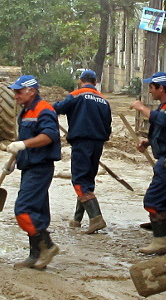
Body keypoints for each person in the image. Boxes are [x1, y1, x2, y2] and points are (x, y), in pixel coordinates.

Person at [130, 72, 166, 254]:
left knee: (153, 199)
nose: (150, 91)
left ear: (161, 88)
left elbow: (163, 120)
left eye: (151, 87)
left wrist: (142, 108)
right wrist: (149, 142)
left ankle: (160, 242)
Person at [6, 75, 61, 269]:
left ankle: (48, 246)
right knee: (37, 211)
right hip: (29, 166)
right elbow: (25, 138)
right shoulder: (25, 111)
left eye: (19, 92)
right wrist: (15, 158)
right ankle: (35, 255)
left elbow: (49, 135)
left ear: (32, 91)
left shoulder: (43, 109)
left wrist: (23, 144)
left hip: (40, 167)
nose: (15, 96)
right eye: (15, 92)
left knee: (24, 210)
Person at [53, 70, 112, 234]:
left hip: (81, 142)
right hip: (98, 143)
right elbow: (108, 125)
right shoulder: (104, 100)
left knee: (79, 180)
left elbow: (57, 108)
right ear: (95, 82)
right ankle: (77, 219)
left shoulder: (76, 95)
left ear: (81, 81)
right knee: (88, 180)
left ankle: (96, 218)